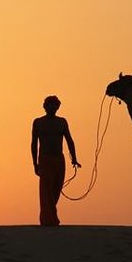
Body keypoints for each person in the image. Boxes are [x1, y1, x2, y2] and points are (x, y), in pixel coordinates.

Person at [31, 95, 81, 226]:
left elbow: (69, 140)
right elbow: (33, 144)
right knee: (46, 192)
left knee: (56, 190)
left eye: (54, 105)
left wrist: (74, 158)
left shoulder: (62, 122)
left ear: (58, 107)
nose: (52, 108)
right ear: (45, 107)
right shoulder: (38, 122)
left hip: (59, 159)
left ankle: (50, 217)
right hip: (45, 159)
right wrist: (35, 164)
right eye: (49, 105)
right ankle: (49, 220)